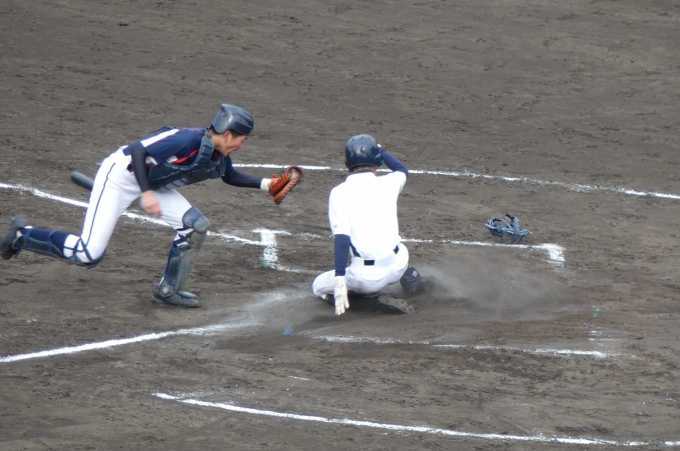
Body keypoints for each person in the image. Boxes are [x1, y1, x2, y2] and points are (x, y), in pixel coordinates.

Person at [1, 104, 283, 308]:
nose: (242, 146)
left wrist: (266, 185)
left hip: (150, 184)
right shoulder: (187, 139)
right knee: (88, 254)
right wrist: (146, 193)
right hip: (120, 178)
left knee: (195, 226)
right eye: (243, 140)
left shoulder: (217, 153)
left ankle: (168, 290)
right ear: (229, 134)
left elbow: (229, 175)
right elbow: (138, 151)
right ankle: (22, 235)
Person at [312, 134, 425, 315]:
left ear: (349, 163)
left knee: (318, 286)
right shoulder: (390, 182)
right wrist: (379, 149)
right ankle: (410, 279)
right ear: (377, 159)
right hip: (398, 265)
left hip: (368, 279)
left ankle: (367, 303)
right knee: (398, 248)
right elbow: (401, 169)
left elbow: (342, 239)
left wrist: (340, 277)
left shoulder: (339, 193)